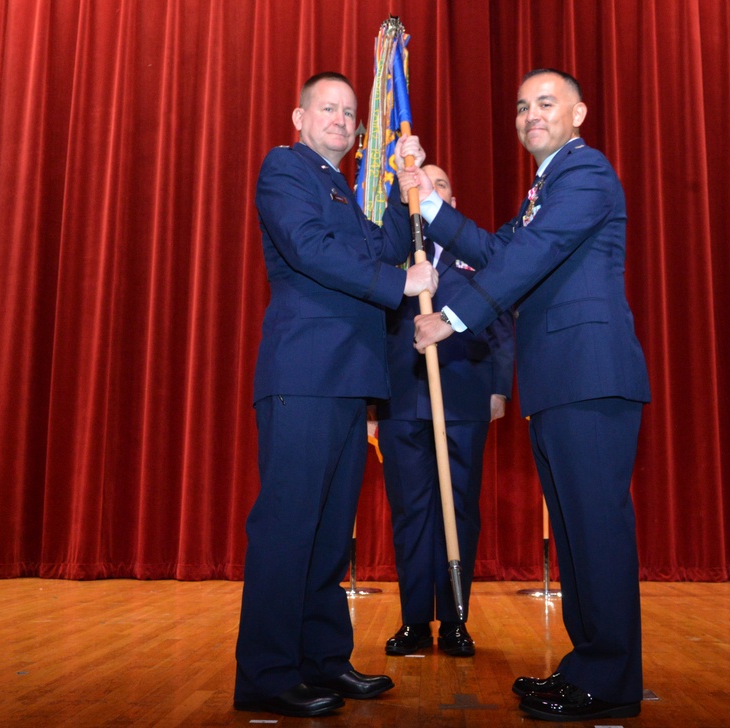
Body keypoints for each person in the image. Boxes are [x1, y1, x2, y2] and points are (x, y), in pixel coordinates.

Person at [403, 69, 650, 722]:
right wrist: (427, 200)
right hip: (560, 380)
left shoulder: (586, 173)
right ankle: (588, 667)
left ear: (580, 113)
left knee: (596, 533)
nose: (530, 114)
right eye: (521, 106)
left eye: (546, 103)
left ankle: (609, 680)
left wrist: (451, 320)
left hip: (590, 376)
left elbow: (528, 257)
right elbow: (492, 248)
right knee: (574, 537)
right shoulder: (544, 189)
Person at [233, 72, 438, 719]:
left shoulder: (348, 195)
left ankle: (323, 659)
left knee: (328, 537)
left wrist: (413, 195)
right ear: (299, 116)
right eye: (330, 109)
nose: (343, 121)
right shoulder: (285, 170)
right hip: (304, 376)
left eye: (351, 113)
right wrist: (399, 281)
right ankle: (268, 672)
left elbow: (384, 250)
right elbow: (311, 251)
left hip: (349, 382)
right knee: (289, 529)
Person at [373, 164, 514, 659]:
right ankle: (414, 620)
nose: (430, 190)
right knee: (411, 512)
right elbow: (373, 323)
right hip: (401, 399)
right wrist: (373, 401)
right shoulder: (389, 250)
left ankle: (455, 620)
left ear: (448, 197)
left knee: (459, 511)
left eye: (442, 184)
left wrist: (499, 387)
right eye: (421, 183)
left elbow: (499, 321)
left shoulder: (474, 252)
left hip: (462, 394)